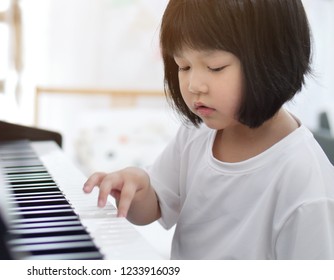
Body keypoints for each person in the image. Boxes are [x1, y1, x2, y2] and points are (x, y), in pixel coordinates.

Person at [83, 0, 334, 259]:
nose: (194, 85)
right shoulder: (198, 134)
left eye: (215, 67)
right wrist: (136, 189)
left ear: (274, 58)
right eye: (184, 66)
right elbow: (156, 204)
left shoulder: (306, 182)